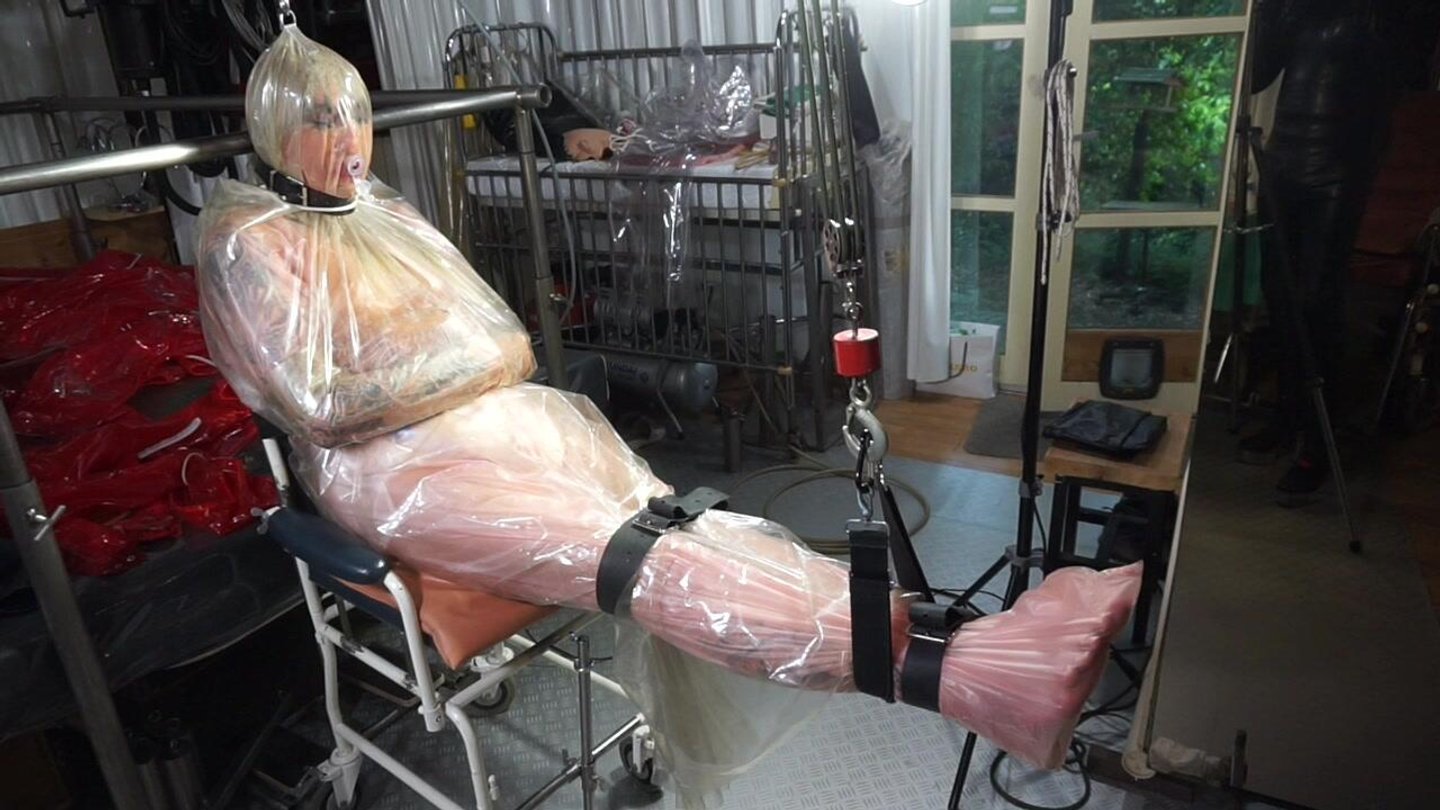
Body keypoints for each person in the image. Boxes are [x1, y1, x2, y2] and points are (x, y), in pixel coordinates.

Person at [197, 25, 1141, 776]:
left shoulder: (389, 216)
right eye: (322, 121)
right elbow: (328, 408)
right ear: (276, 130)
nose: (349, 139)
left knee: (677, 523)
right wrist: (459, 367)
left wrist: (449, 370)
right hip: (389, 475)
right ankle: (962, 677)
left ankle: (961, 644)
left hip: (492, 420)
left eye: (356, 115)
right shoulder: (251, 244)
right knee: (644, 560)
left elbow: (508, 345)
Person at [1239, 0, 1394, 504]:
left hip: (1339, 169)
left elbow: (1389, 86)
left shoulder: (1376, 16)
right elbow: (1257, 75)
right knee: (1279, 298)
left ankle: (1318, 441)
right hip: (1284, 161)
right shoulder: (1294, 9)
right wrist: (1268, 12)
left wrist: (1364, 170)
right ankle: (1286, 417)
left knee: (1316, 303)